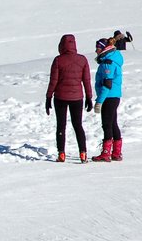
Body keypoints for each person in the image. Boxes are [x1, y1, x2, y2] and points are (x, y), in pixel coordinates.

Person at [45, 34, 92, 163]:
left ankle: (61, 154)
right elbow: (86, 81)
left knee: (61, 126)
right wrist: (89, 97)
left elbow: (53, 81)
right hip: (77, 98)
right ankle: (83, 153)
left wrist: (48, 96)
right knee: (78, 125)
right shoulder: (82, 60)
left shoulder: (58, 60)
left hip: (60, 97)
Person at [91, 37, 124, 162]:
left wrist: (99, 101)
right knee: (113, 122)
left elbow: (107, 84)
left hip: (108, 97)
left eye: (98, 48)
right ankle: (116, 152)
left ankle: (106, 153)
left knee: (107, 124)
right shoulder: (114, 59)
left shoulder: (107, 63)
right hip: (115, 96)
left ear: (103, 48)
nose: (96, 51)